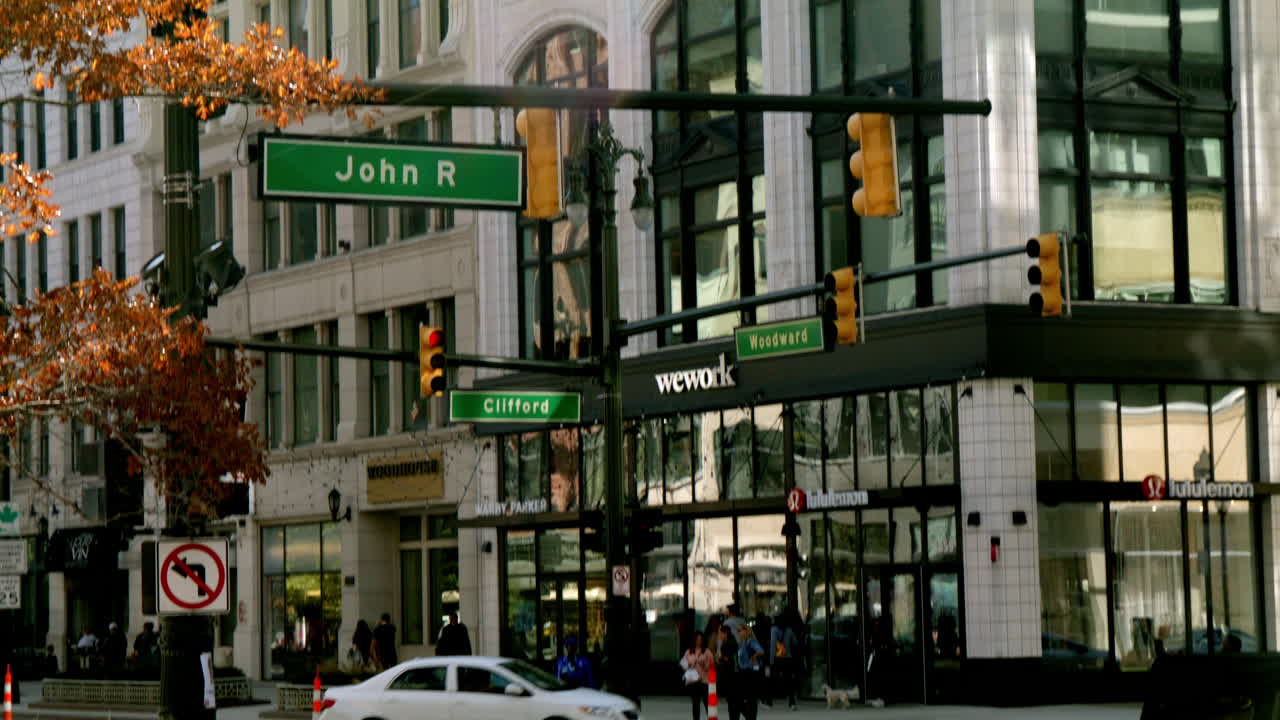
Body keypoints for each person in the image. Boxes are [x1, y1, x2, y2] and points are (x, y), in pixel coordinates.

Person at [770, 607, 803, 710]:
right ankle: (792, 701)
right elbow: (795, 642)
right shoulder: (789, 629)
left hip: (778, 658)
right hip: (788, 658)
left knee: (772, 678)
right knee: (789, 679)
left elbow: (772, 645)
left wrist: (771, 661)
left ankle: (769, 700)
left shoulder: (774, 630)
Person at [734, 623, 765, 720]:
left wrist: (754, 657)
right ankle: (750, 716)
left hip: (749, 673)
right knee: (743, 699)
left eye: (740, 631)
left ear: (746, 631)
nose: (739, 633)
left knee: (750, 698)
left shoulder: (750, 642)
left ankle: (751, 717)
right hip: (743, 673)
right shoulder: (742, 643)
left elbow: (760, 651)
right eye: (738, 631)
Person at [682, 630, 714, 720]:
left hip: (704, 681)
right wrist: (688, 665)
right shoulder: (689, 651)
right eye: (697, 639)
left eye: (700, 639)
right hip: (694, 680)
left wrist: (704, 664)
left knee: (707, 702)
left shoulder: (707, 652)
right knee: (695, 703)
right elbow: (683, 664)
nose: (699, 641)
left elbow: (711, 664)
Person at [715, 624, 740, 720]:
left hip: (730, 674)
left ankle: (735, 716)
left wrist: (721, 657)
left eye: (721, 633)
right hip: (729, 673)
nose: (720, 635)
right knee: (731, 699)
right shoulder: (728, 642)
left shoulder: (729, 643)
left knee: (732, 699)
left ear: (725, 633)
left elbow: (729, 659)